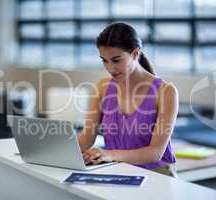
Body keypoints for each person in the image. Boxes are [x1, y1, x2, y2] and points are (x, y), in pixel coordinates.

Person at [77, 22, 179, 177]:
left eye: (116, 60)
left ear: (135, 54)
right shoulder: (103, 87)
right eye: (104, 60)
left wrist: (109, 154)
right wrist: (53, 150)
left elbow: (155, 152)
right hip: (116, 172)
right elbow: (86, 138)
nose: (110, 68)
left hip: (157, 175)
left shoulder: (166, 92)